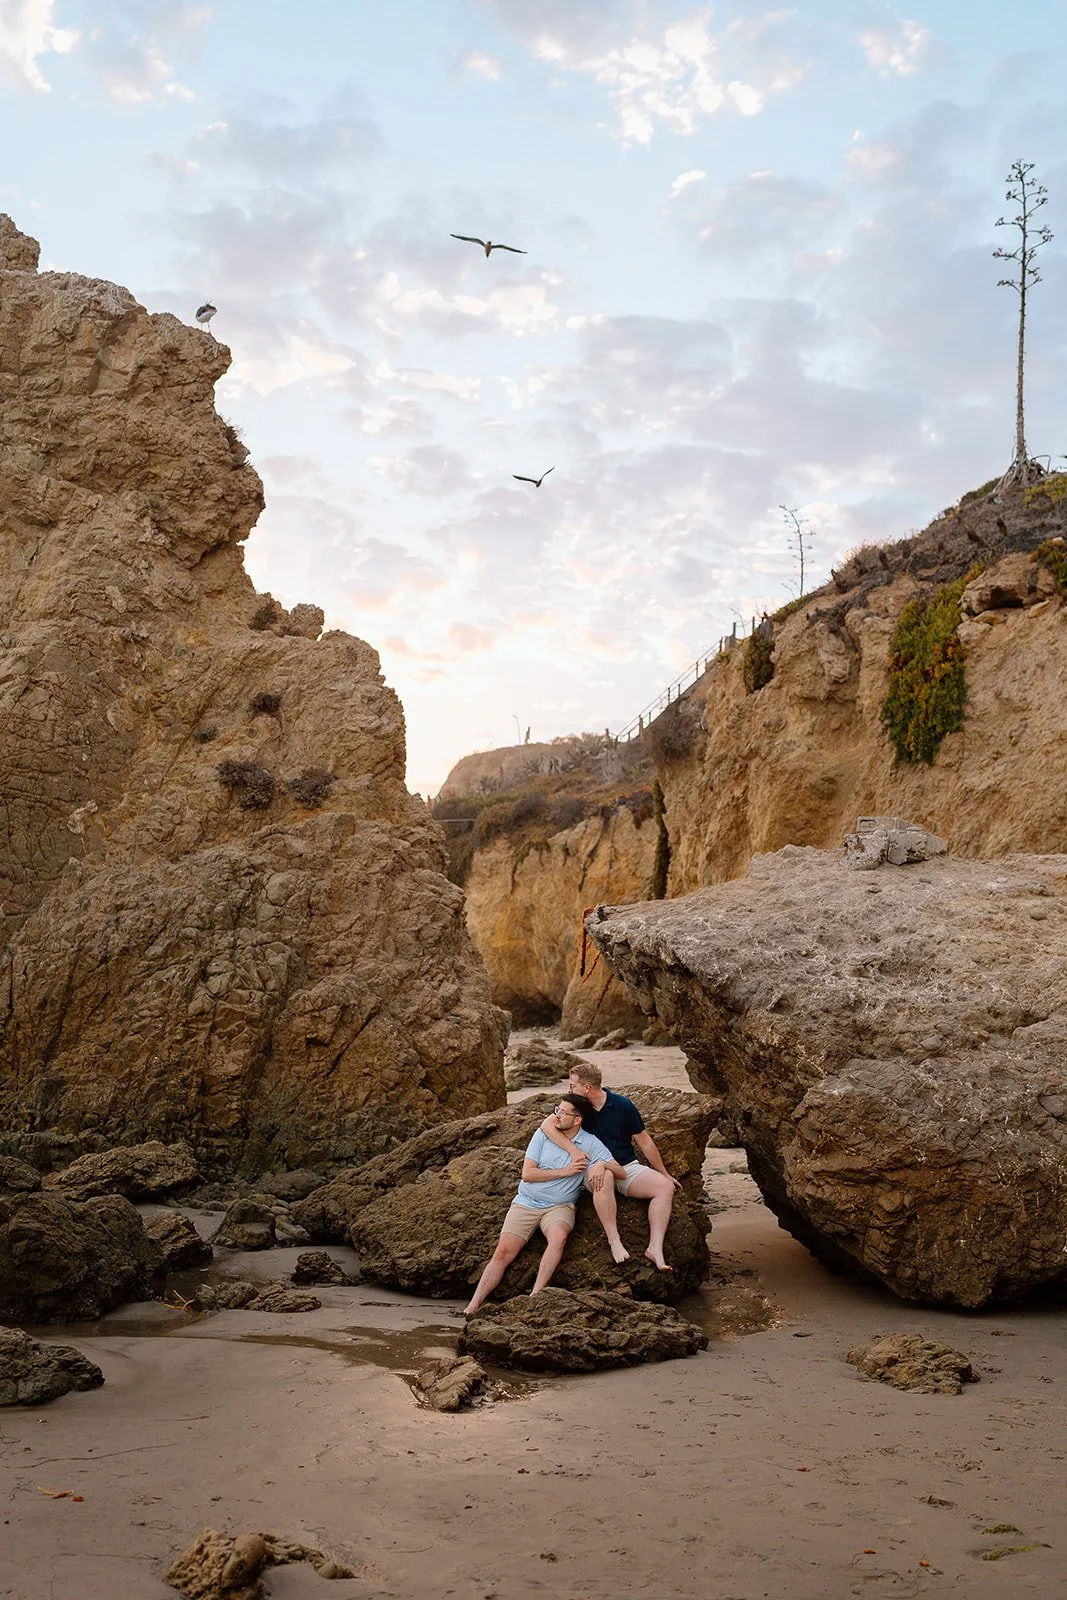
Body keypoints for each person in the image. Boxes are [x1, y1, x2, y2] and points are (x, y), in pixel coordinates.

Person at [464, 1093, 627, 1316]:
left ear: (577, 1119)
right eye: (556, 1110)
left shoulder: (590, 1143)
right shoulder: (543, 1135)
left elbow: (621, 1171)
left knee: (558, 1236)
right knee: (503, 1252)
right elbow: (528, 1174)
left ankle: (535, 1296)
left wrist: (602, 1166)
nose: (556, 1115)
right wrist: (565, 1171)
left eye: (563, 1112)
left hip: (559, 1207)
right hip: (526, 1203)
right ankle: (473, 1306)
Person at [539, 1062, 681, 1271]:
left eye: (572, 1086)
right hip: (592, 1169)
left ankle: (655, 1248)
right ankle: (614, 1241)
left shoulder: (622, 1105)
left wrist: (664, 1174)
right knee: (603, 1174)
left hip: (625, 1167)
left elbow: (645, 1142)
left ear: (587, 1087)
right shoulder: (578, 1107)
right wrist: (574, 1151)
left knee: (664, 1187)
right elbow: (547, 1125)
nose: (569, 1090)